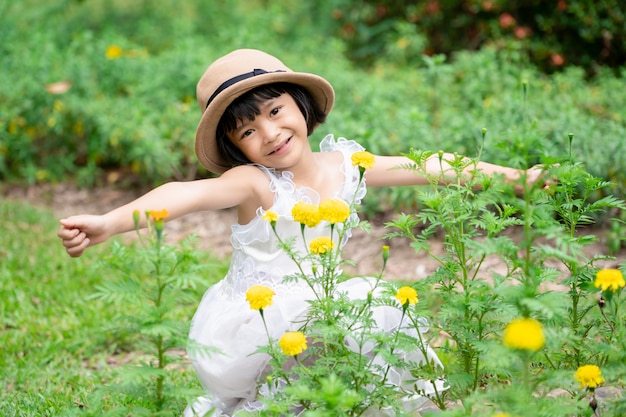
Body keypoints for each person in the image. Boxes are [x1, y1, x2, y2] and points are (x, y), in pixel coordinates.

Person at [58, 49, 546, 416]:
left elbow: (431, 164)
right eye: (248, 131)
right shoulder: (253, 183)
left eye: (275, 112)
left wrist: (513, 178)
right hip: (259, 319)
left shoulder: (346, 164)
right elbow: (182, 194)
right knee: (309, 356)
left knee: (369, 311)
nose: (269, 133)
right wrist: (110, 222)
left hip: (325, 301)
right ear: (236, 148)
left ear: (302, 107)